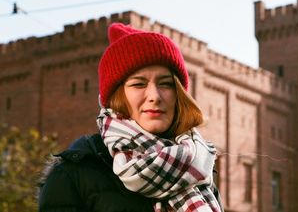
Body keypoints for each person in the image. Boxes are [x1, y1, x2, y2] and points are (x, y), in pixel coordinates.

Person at [38, 23, 224, 212]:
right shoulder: (72, 174)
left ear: (179, 95)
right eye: (138, 84)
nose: (155, 96)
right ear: (117, 97)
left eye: (166, 84)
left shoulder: (200, 173)